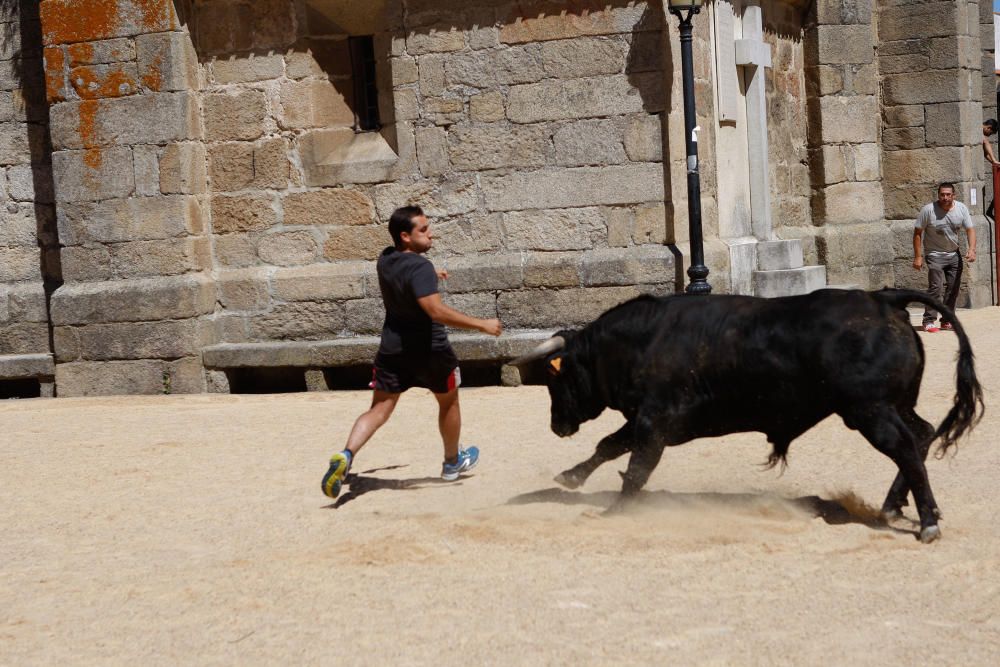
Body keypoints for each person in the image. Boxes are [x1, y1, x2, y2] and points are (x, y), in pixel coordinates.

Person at [321, 205, 503, 499]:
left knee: (379, 409)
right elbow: (434, 310)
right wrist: (481, 324)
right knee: (449, 402)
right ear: (405, 236)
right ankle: (452, 463)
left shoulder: (386, 259)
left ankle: (346, 454)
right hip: (431, 352)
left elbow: (407, 269)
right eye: (424, 229)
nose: (432, 233)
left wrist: (432, 271)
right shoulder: (419, 268)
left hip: (392, 350)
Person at [913, 182, 976, 333]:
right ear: (938, 195)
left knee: (953, 288)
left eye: (948, 194)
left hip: (954, 254)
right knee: (936, 287)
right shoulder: (928, 210)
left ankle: (947, 319)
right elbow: (917, 233)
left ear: (954, 195)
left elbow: (970, 229)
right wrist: (918, 256)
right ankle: (928, 320)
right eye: (942, 194)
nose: (945, 197)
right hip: (934, 254)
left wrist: (972, 249)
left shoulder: (961, 208)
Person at [984, 119, 998, 221]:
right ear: (988, 127)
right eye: (990, 133)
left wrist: (993, 162)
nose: (989, 135)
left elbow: (985, 154)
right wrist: (994, 160)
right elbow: (986, 142)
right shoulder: (979, 130)